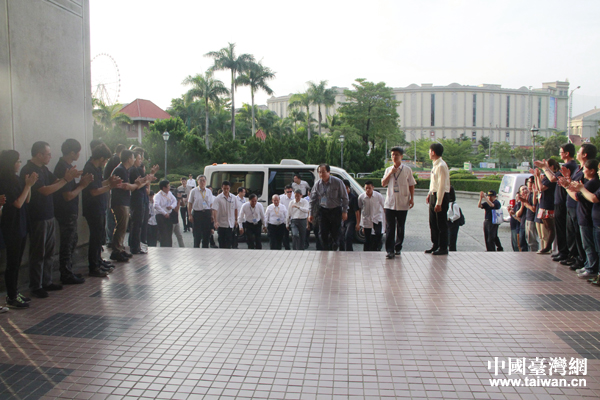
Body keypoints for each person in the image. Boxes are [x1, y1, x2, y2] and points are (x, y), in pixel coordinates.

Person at [20, 141, 81, 298]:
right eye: (47, 154)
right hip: (37, 216)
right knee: (38, 253)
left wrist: (68, 177)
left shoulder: (44, 169)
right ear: (39, 155)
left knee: (49, 252)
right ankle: (36, 285)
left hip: (49, 214)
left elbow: (55, 182)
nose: (50, 156)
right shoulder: (29, 170)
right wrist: (65, 180)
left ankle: (46, 281)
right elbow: (46, 191)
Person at [0, 150, 37, 308]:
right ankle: (11, 295)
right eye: (17, 161)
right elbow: (17, 203)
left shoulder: (16, 178)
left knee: (18, 260)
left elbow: (27, 199)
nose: (19, 164)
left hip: (22, 222)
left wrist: (29, 185)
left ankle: (15, 291)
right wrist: (27, 185)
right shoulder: (5, 180)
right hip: (12, 224)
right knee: (13, 262)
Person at [53, 139, 93, 285]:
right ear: (71, 153)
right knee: (67, 243)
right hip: (65, 211)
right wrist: (82, 185)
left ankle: (68, 270)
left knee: (71, 241)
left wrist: (81, 182)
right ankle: (65, 273)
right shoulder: (62, 168)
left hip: (69, 211)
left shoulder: (67, 166)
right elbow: (67, 195)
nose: (79, 155)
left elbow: (69, 189)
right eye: (77, 152)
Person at [82, 143, 120, 278]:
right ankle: (94, 266)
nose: (105, 163)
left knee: (99, 237)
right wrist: (110, 186)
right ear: (101, 158)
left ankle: (98, 261)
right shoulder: (90, 168)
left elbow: (99, 184)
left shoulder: (96, 168)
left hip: (99, 207)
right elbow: (93, 191)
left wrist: (108, 181)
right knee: (95, 237)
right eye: (105, 160)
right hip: (93, 208)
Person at [535, 143, 578, 262]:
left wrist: (544, 168)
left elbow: (553, 179)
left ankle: (566, 252)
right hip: (560, 201)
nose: (560, 154)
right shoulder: (569, 165)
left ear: (567, 153)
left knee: (563, 228)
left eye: (561, 152)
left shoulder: (569, 165)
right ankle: (562, 251)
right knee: (561, 228)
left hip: (563, 201)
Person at [559, 143, 597, 271]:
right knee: (575, 235)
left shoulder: (589, 178)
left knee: (585, 241)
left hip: (581, 210)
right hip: (575, 208)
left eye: (580, 151)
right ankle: (581, 261)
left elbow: (579, 194)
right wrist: (568, 180)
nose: (577, 154)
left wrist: (567, 185)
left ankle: (585, 263)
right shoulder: (579, 170)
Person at [110, 149, 146, 261]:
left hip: (124, 201)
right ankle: (116, 250)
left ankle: (120, 249)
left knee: (123, 227)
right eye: (133, 157)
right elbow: (125, 186)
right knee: (120, 227)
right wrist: (137, 184)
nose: (135, 160)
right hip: (120, 202)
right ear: (129, 159)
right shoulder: (120, 170)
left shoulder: (125, 170)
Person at [567, 159, 600, 279]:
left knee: (590, 246)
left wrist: (569, 186)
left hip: (588, 218)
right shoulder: (589, 182)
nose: (583, 171)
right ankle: (589, 266)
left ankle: (592, 268)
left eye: (585, 169)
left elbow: (591, 198)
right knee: (589, 245)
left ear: (592, 170)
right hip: (588, 217)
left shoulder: (593, 183)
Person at [381, 146, 416, 258]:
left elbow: (411, 184)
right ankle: (389, 250)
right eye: (392, 155)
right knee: (390, 227)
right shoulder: (388, 170)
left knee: (400, 226)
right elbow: (383, 183)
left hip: (402, 202)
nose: (394, 157)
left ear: (401, 156)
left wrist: (411, 198)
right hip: (390, 203)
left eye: (396, 154)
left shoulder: (407, 170)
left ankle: (398, 247)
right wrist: (391, 172)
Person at [309, 164, 349, 251]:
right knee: (322, 233)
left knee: (336, 233)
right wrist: (311, 213)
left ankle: (335, 246)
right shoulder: (317, 184)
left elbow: (345, 198)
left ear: (329, 172)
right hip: (323, 211)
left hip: (336, 210)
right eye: (319, 172)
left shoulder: (338, 182)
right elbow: (312, 200)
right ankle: (326, 250)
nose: (321, 174)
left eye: (323, 172)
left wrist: (345, 211)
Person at [425, 143, 450, 255]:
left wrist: (439, 202)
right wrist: (429, 193)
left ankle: (443, 247)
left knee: (441, 223)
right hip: (434, 195)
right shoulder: (435, 165)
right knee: (433, 222)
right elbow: (434, 183)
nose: (429, 153)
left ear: (433, 152)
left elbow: (441, 186)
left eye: (429, 151)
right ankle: (435, 244)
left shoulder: (441, 165)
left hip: (441, 196)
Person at [533, 160, 559, 254]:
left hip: (549, 204)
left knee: (550, 228)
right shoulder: (546, 177)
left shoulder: (551, 177)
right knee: (547, 228)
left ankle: (548, 247)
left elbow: (541, 188)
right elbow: (537, 188)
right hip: (543, 203)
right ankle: (547, 247)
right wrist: (537, 177)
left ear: (551, 167)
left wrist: (539, 178)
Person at [104, 144, 126, 247]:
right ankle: (112, 241)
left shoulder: (113, 160)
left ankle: (111, 240)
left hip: (110, 191)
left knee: (111, 217)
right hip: (112, 193)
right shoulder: (116, 162)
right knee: (113, 219)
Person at [357, 181, 385, 252]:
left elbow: (384, 206)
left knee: (378, 235)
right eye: (366, 188)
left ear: (373, 188)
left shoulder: (378, 196)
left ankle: (376, 249)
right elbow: (360, 208)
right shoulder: (361, 197)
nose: (368, 190)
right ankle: (367, 252)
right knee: (367, 238)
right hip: (367, 220)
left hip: (377, 218)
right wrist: (360, 223)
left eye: (369, 188)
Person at [188, 175, 215, 248]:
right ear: (197, 182)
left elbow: (211, 204)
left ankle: (205, 249)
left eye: (203, 180)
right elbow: (190, 203)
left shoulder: (209, 191)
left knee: (206, 234)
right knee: (197, 234)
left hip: (206, 213)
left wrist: (212, 215)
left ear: (206, 181)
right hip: (197, 213)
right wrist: (190, 215)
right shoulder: (193, 191)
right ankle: (196, 248)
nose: (202, 182)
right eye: (200, 180)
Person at [212, 180, 238, 249]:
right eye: (224, 188)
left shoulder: (233, 197)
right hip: (221, 223)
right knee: (222, 241)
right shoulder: (218, 198)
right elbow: (214, 210)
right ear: (222, 188)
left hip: (230, 223)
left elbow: (235, 209)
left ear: (229, 188)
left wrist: (236, 219)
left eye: (227, 188)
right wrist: (215, 221)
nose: (226, 190)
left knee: (229, 241)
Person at [155, 180, 178, 247]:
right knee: (163, 233)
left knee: (169, 233)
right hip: (161, 216)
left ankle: (169, 247)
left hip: (169, 215)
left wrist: (171, 206)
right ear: (164, 188)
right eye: (168, 186)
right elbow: (156, 205)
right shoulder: (158, 195)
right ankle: (163, 247)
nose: (169, 187)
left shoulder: (169, 193)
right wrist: (164, 213)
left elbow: (175, 201)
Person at [339, 180, 359, 251]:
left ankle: (349, 251)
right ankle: (342, 252)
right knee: (341, 237)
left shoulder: (353, 198)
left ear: (347, 187)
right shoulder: (339, 197)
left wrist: (358, 223)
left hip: (351, 220)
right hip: (341, 220)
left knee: (348, 236)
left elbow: (357, 211)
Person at [447, 186, 464, 252]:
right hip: (448, 223)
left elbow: (457, 215)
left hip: (453, 223)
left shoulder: (454, 205)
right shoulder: (448, 204)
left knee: (452, 239)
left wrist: (450, 218)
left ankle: (453, 251)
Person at [507, 186, 524, 252]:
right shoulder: (516, 206)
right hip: (513, 227)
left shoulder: (520, 205)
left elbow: (518, 218)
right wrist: (510, 212)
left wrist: (513, 214)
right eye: (516, 197)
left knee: (518, 245)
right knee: (514, 244)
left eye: (518, 197)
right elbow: (512, 216)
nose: (517, 198)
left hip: (518, 228)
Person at [279, 185, 294, 250]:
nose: (289, 193)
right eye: (288, 192)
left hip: (293, 217)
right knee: (285, 234)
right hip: (285, 218)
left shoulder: (294, 197)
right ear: (285, 192)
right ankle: (287, 248)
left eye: (290, 191)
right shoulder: (281, 198)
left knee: (294, 234)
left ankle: (295, 247)